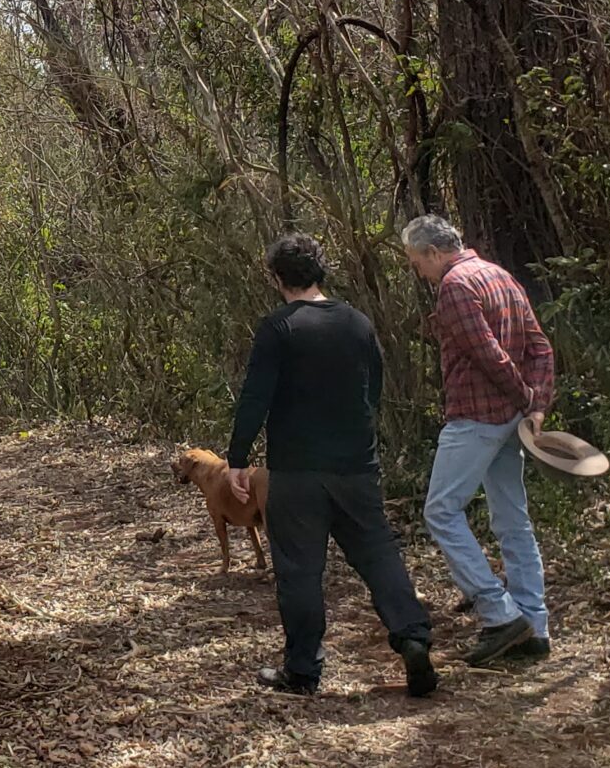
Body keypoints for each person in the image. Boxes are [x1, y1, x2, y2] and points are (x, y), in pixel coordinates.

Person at [224, 233, 438, 697]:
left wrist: (238, 458)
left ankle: (302, 671)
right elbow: (373, 389)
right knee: (378, 554)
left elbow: (256, 396)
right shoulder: (357, 323)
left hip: (297, 472)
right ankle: (414, 638)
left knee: (300, 569)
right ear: (321, 272)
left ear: (278, 278)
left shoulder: (279, 328)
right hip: (356, 467)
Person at [401, 213, 555, 664]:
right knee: (512, 518)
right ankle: (534, 626)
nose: (418, 271)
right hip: (509, 419)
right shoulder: (500, 275)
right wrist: (535, 403)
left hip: (476, 416)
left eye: (416, 262)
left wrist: (528, 397)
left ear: (433, 252)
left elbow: (488, 354)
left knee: (441, 511)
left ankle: (499, 613)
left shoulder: (456, 285)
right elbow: (539, 346)